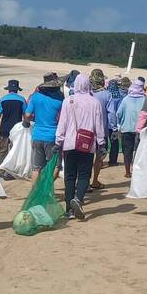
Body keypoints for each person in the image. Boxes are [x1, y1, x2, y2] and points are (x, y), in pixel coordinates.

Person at [56, 74, 105, 220]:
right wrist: (101, 143)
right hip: (87, 144)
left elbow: (62, 123)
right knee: (84, 175)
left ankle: (69, 210)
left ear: (75, 85)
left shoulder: (68, 101)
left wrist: (58, 141)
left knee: (69, 176)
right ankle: (78, 199)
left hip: (69, 143)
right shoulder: (94, 102)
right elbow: (99, 124)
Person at [25, 72, 65, 184]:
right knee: (55, 165)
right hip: (53, 136)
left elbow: (27, 115)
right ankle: (46, 187)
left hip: (37, 135)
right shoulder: (60, 98)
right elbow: (63, 117)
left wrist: (26, 123)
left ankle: (34, 193)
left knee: (36, 168)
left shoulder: (35, 96)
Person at [0, 79, 27, 179]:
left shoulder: (3, 99)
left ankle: (2, 170)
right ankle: (11, 171)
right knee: (14, 150)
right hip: (16, 129)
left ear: (8, 90)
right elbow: (26, 115)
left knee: (3, 150)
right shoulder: (22, 100)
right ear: (17, 90)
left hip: (4, 128)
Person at [116, 78, 146, 178]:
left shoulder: (126, 99)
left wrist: (119, 124)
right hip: (140, 130)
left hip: (126, 129)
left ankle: (127, 171)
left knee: (127, 152)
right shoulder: (145, 99)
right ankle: (137, 170)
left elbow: (119, 113)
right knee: (139, 151)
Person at [89, 69, 111, 190]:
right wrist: (113, 127)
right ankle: (95, 180)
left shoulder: (88, 93)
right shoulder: (107, 95)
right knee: (98, 157)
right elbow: (111, 113)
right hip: (101, 130)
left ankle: (85, 181)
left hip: (86, 130)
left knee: (86, 157)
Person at [105, 78, 125, 166]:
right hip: (115, 123)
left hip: (105, 123)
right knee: (114, 143)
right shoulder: (119, 97)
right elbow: (119, 111)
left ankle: (100, 160)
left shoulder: (107, 95)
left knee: (104, 142)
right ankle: (113, 161)